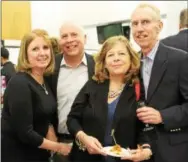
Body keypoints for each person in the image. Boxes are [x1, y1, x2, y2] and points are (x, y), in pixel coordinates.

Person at [67, 35, 153, 162]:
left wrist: (146, 150)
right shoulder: (92, 85)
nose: (116, 58)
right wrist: (83, 137)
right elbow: (72, 118)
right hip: (86, 158)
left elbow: (145, 127)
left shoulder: (139, 89)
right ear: (104, 62)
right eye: (111, 55)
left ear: (131, 59)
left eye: (122, 54)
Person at [1, 30, 71, 162]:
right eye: (35, 49)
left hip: (38, 153)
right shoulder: (20, 83)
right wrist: (59, 147)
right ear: (25, 54)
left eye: (45, 48)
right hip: (19, 154)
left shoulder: (43, 80)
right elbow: (25, 133)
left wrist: (49, 127)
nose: (42, 53)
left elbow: (44, 111)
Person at [130, 3, 188, 162]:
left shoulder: (180, 59)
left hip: (173, 151)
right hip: (141, 150)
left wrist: (162, 116)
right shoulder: (132, 62)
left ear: (159, 26)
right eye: (135, 24)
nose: (139, 28)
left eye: (145, 22)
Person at [46, 21, 95, 162]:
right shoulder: (49, 68)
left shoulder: (98, 67)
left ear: (85, 38)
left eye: (74, 34)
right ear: (59, 41)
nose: (69, 40)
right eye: (64, 36)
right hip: (60, 142)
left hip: (90, 143)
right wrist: (49, 129)